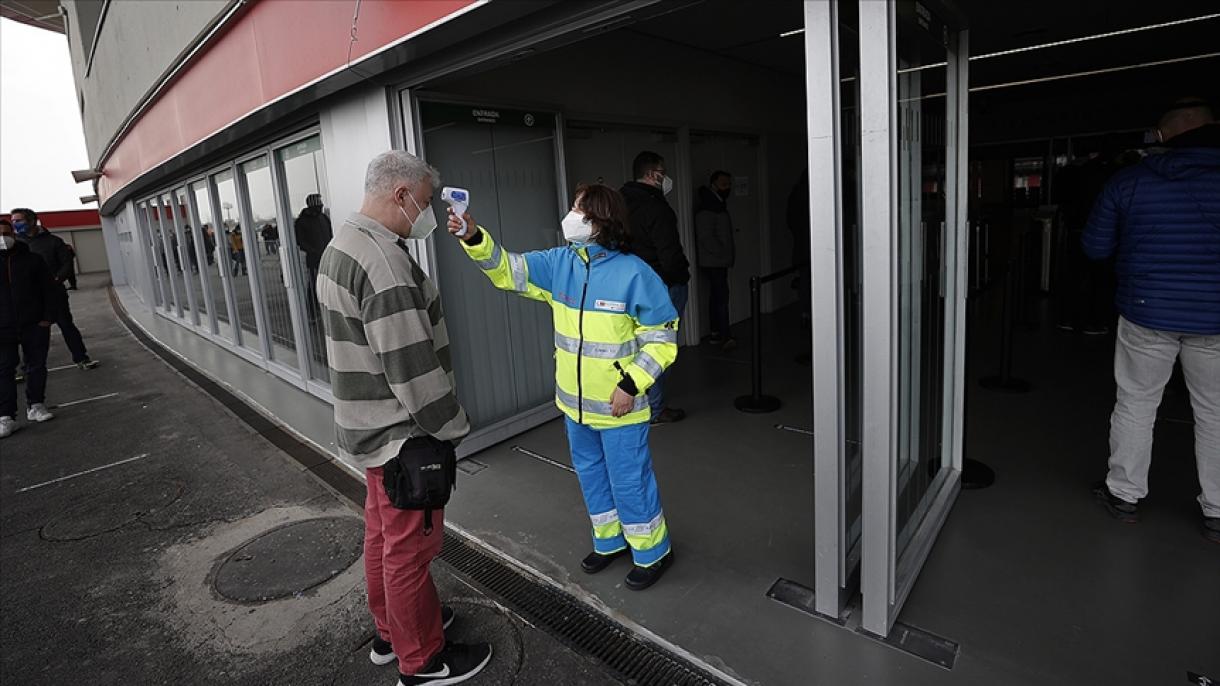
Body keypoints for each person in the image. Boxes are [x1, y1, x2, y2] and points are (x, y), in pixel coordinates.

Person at [316, 151, 491, 685]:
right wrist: (452, 426)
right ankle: (423, 661)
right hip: (401, 436)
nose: (428, 213)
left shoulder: (341, 244)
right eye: (425, 200)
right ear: (401, 195)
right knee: (411, 550)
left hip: (364, 426)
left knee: (382, 537)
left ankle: (391, 633)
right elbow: (412, 366)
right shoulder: (384, 263)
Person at [449, 182, 679, 590]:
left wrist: (631, 383)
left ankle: (652, 551)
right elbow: (508, 271)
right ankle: (609, 541)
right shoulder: (560, 264)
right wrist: (473, 237)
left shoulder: (635, 273)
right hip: (575, 406)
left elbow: (661, 338)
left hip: (619, 405)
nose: (571, 217)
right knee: (591, 474)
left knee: (630, 479)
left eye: (581, 212)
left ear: (602, 221)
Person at [1083, 98, 1220, 544]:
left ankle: (1124, 494)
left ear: (1162, 136)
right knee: (1216, 413)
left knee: (1137, 403)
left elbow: (1096, 247)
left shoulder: (1132, 181)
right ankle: (1217, 510)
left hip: (1147, 309)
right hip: (1216, 317)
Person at [621, 152, 689, 425]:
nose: (666, 177)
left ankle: (635, 398)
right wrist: (680, 277)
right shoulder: (657, 208)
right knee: (660, 346)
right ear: (653, 175)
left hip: (630, 286)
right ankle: (656, 408)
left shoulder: (619, 203)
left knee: (635, 345)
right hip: (662, 286)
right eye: (663, 171)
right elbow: (669, 254)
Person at [9, 209, 99, 370]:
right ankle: (26, 367)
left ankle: (81, 358)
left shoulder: (53, 241)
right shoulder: (16, 245)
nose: (15, 224)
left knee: (66, 325)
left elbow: (67, 264)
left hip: (54, 295)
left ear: (31, 221)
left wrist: (56, 280)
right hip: (28, 299)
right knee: (27, 334)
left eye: (19, 220)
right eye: (13, 221)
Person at [1, 219, 58, 438]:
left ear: (13, 235)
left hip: (33, 323)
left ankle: (36, 405)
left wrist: (46, 318)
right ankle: (6, 416)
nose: (3, 238)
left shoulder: (32, 260)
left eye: (6, 233)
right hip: (3, 328)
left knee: (36, 365)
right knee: (4, 370)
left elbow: (48, 290)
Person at [694, 170, 735, 348]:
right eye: (723, 184)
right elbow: (706, 237)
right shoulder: (708, 208)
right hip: (714, 261)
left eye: (728, 184)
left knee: (717, 296)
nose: (727, 188)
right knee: (720, 297)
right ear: (713, 185)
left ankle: (716, 332)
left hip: (716, 260)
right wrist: (722, 253)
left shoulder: (717, 204)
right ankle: (723, 335)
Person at [295, 193, 333, 310]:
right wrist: (314, 251)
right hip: (314, 258)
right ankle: (312, 309)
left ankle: (327, 306)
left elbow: (330, 235)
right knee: (314, 284)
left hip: (327, 256)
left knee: (329, 283)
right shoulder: (302, 221)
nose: (321, 204)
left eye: (320, 202)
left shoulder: (323, 218)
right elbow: (300, 241)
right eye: (318, 202)